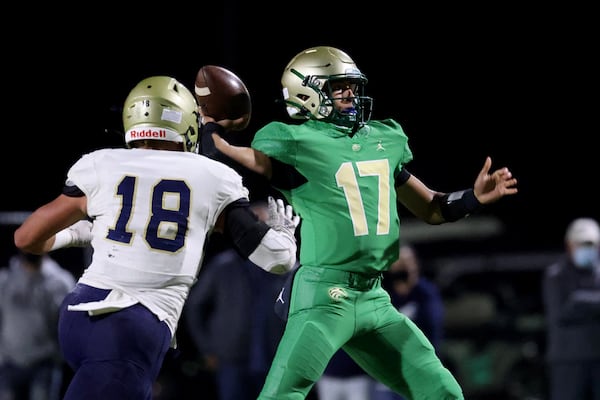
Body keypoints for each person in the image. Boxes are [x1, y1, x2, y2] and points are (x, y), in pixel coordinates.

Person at [200, 45, 518, 399]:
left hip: (374, 298)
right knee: (281, 396)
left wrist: (473, 197)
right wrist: (210, 126)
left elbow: (432, 208)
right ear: (307, 93)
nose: (351, 93)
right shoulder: (295, 141)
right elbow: (226, 156)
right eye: (339, 87)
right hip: (324, 295)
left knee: (443, 392)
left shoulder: (383, 139)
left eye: (352, 85)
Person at [13, 75, 300, 400]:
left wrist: (79, 235)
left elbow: (26, 238)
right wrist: (284, 233)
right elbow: (278, 259)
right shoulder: (212, 176)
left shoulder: (103, 163)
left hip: (78, 318)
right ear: (186, 124)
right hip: (131, 327)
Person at [184, 201, 292, 400]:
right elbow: (195, 306)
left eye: (264, 224)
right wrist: (208, 348)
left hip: (277, 358)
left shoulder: (289, 267)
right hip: (232, 357)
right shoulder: (224, 265)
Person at [373, 243, 445, 400]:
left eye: (407, 263)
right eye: (398, 263)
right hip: (389, 373)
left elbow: (430, 330)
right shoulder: (384, 292)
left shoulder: (425, 294)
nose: (402, 267)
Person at [0, 249, 75, 400]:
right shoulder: (6, 278)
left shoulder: (60, 281)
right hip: (9, 361)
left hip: (44, 362)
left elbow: (70, 324)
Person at [543, 217, 600, 400]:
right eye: (581, 244)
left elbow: (574, 306)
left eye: (590, 244)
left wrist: (579, 302)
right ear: (569, 245)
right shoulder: (555, 275)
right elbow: (562, 312)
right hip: (567, 361)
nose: (586, 249)